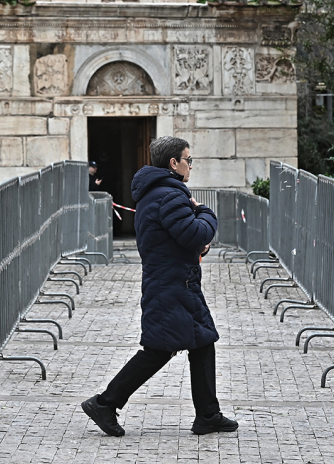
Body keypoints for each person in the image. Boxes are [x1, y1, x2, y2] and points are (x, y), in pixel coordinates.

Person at [82, 136, 238, 436]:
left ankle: (208, 415)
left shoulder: (157, 193)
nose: (191, 165)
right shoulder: (170, 195)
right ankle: (105, 403)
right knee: (159, 349)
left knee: (202, 341)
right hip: (172, 285)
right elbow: (195, 233)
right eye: (188, 160)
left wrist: (196, 246)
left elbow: (176, 239)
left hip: (177, 281)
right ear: (173, 163)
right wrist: (206, 213)